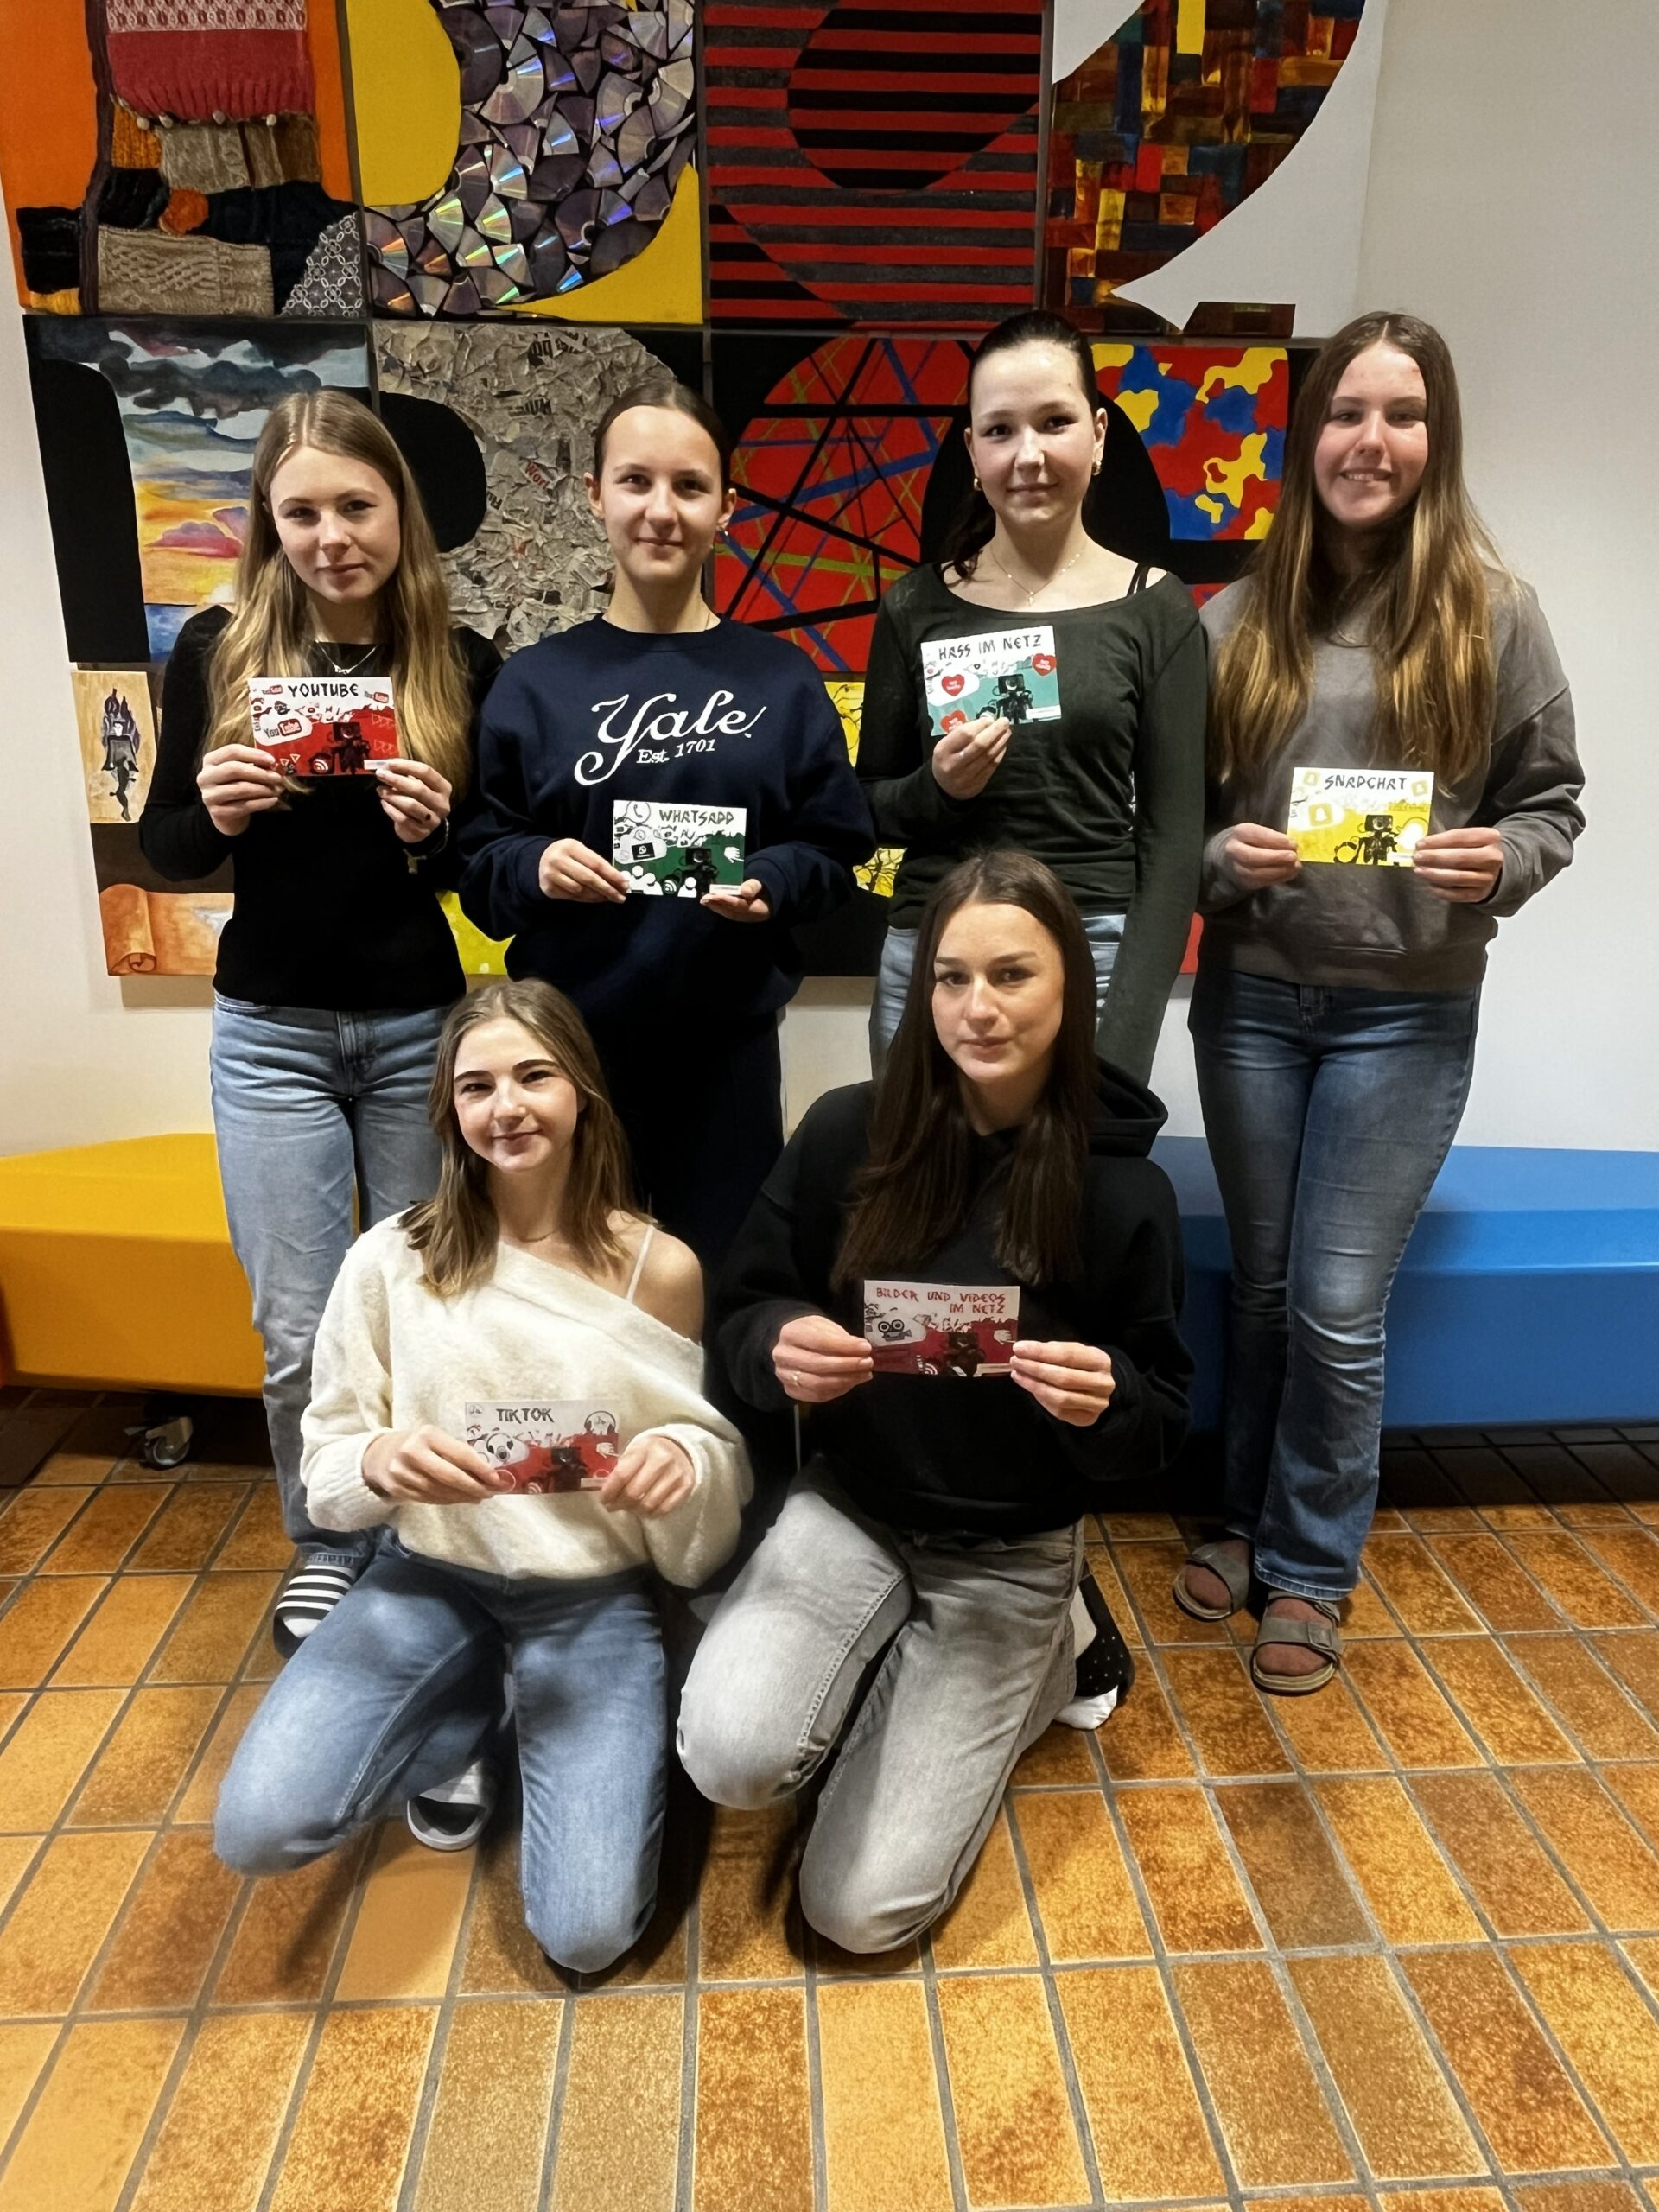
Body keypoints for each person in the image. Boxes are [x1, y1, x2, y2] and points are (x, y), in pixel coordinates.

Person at [677, 852, 1191, 1955]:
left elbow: (1163, 1416)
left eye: (1012, 974)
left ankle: (1055, 1644)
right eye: (952, 978)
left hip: (1011, 1550)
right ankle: (910, 1664)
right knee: (729, 1757)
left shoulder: (1124, 1188)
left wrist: (1107, 1401)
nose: (978, 1008)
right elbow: (745, 1307)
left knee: (857, 1913)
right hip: (850, 1505)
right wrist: (776, 1344)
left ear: (1071, 987)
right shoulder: (846, 1133)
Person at [1177, 311, 1584, 1694]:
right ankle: (1240, 1517)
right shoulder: (1232, 619)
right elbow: (1173, 823)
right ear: (1309, 438)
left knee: (1339, 1307)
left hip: (1406, 1013)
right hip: (1251, 1002)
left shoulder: (1495, 613)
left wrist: (1503, 860)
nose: (1373, 440)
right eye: (1348, 413)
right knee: (1263, 1292)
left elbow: (1552, 802)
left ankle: (1308, 1567)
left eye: (1403, 415)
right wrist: (1218, 863)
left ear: (1435, 439)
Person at [213, 980, 750, 1974]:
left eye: (534, 1076)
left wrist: (684, 1464)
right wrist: (378, 1460)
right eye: (477, 1086)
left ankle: (536, 1718)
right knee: (257, 1828)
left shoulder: (661, 1268)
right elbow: (328, 1465)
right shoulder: (390, 1259)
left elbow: (705, 1476)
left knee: (586, 1934)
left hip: (593, 1600)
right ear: (449, 1108)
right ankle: (463, 1717)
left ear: (581, 1090)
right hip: (428, 1577)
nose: (507, 1106)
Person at [140, 390, 501, 1655]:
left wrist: (437, 833)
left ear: (401, 510)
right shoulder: (218, 647)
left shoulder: (463, 662)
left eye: (357, 506)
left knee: (425, 1310)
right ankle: (329, 1543)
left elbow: (484, 875)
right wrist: (216, 810)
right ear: (267, 521)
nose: (332, 536)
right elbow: (166, 848)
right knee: (298, 1327)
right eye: (301, 512)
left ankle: (422, 1540)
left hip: (418, 1030)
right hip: (271, 1036)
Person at [457, 375, 874, 1268]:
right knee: (570, 1298)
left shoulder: (782, 679)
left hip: (726, 1061)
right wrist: (534, 864)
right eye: (635, 481)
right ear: (594, 495)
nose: (661, 510)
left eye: (689, 486)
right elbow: (480, 865)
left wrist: (773, 880)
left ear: (727, 508)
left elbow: (838, 849)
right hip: (564, 1060)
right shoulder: (532, 682)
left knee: (716, 1296)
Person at [856, 308, 1207, 1086]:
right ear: (972, 452)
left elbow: (1174, 840)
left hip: (1092, 950)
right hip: (938, 955)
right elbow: (868, 807)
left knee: (1071, 1169)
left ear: (1099, 435)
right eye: (1000, 431)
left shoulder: (1156, 609)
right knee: (916, 1165)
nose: (1029, 456)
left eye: (1055, 423)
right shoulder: (914, 605)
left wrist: (1128, 1032)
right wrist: (937, 788)